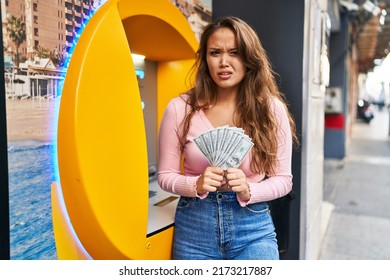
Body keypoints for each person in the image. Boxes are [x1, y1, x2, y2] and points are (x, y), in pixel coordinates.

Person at [157, 16, 298, 260]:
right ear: (205, 59)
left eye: (234, 52)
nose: (224, 62)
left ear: (249, 58)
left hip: (252, 229)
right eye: (215, 53)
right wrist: (195, 184)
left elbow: (283, 180)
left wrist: (249, 190)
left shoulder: (271, 109)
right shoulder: (179, 108)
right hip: (194, 230)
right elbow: (165, 176)